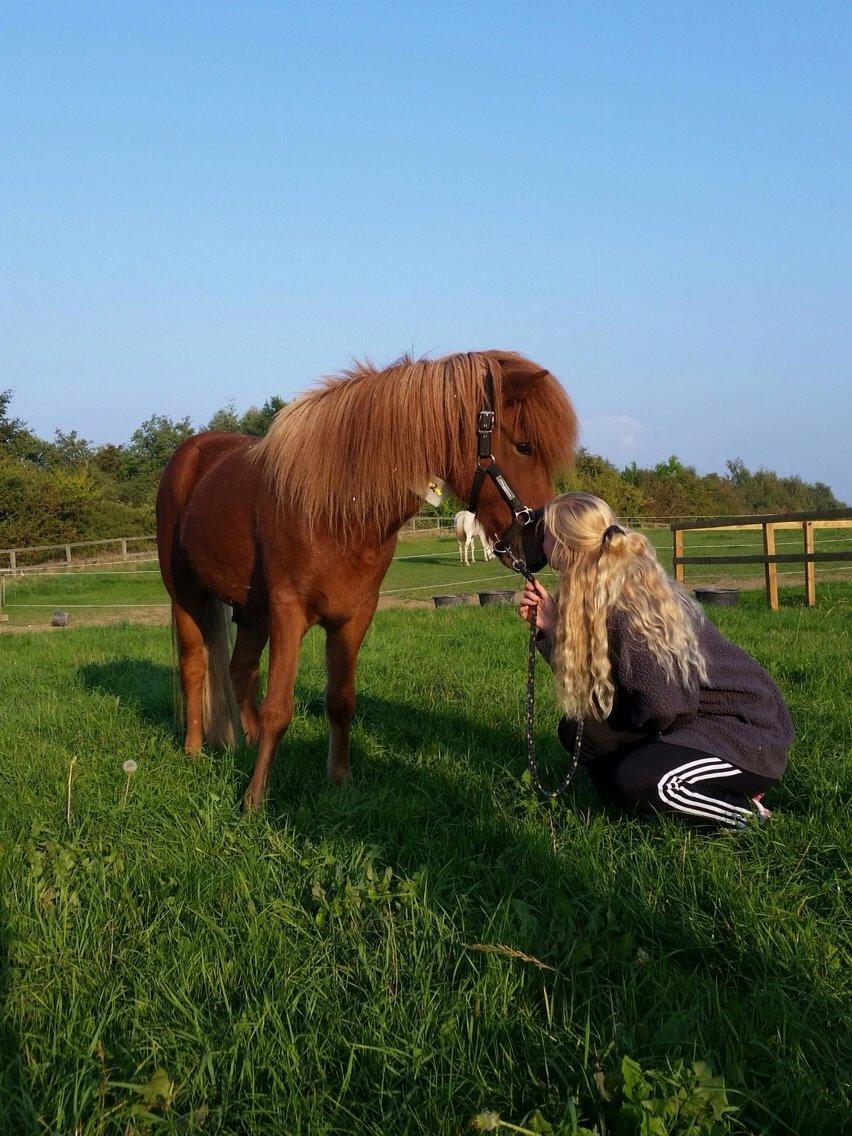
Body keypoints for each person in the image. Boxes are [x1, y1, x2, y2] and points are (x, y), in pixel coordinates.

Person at [518, 492, 793, 828]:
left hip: (742, 734)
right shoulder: (595, 591)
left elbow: (664, 705)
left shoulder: (630, 605)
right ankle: (633, 809)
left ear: (565, 546)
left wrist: (641, 746)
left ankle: (747, 814)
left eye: (545, 536)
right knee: (580, 730)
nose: (541, 544)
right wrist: (552, 628)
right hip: (689, 718)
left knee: (644, 778)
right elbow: (595, 680)